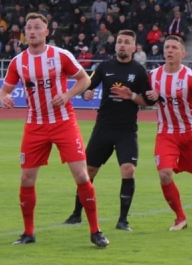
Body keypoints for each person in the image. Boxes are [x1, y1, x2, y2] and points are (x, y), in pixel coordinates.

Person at [0, 13, 109, 248]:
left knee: (81, 175)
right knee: (27, 179)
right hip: (35, 125)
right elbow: (4, 90)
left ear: (47, 32)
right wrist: (4, 97)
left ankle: (95, 230)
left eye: (37, 27)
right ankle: (28, 233)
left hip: (63, 122)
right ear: (24, 33)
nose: (32, 31)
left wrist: (68, 95)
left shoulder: (60, 56)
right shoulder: (18, 62)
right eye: (28, 28)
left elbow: (85, 80)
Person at [64, 30, 154, 231]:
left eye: (127, 42)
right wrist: (86, 94)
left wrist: (130, 96)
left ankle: (123, 220)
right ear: (115, 46)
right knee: (88, 171)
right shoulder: (104, 67)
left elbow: (147, 101)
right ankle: (76, 214)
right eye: (120, 42)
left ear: (134, 47)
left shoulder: (139, 71)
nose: (122, 45)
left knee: (128, 169)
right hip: (103, 127)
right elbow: (88, 84)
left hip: (126, 130)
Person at [147, 35, 192, 230]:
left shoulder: (190, 77)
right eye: (167, 47)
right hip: (166, 133)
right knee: (164, 175)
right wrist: (145, 96)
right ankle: (180, 218)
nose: (169, 51)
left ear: (182, 53)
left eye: (174, 48)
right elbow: (143, 98)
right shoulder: (152, 76)